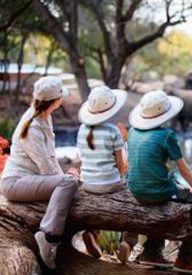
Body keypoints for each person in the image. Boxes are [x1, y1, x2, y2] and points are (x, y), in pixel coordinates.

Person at [118, 90, 192, 273]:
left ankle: (151, 252)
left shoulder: (133, 131)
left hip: (134, 190)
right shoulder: (167, 135)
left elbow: (142, 161)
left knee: (157, 198)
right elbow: (185, 170)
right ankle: (185, 259)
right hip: (158, 193)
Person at [0, 76, 80, 270]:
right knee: (69, 183)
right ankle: (48, 236)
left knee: (69, 182)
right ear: (55, 101)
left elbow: (51, 159)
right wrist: (67, 178)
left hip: (29, 180)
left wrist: (65, 175)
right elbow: (46, 167)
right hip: (14, 184)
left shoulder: (44, 116)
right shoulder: (33, 126)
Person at [77, 85, 128, 257]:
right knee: (129, 196)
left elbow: (82, 157)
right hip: (109, 184)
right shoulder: (112, 130)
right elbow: (121, 165)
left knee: (96, 203)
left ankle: (92, 233)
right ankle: (128, 242)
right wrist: (121, 178)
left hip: (86, 183)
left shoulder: (81, 129)